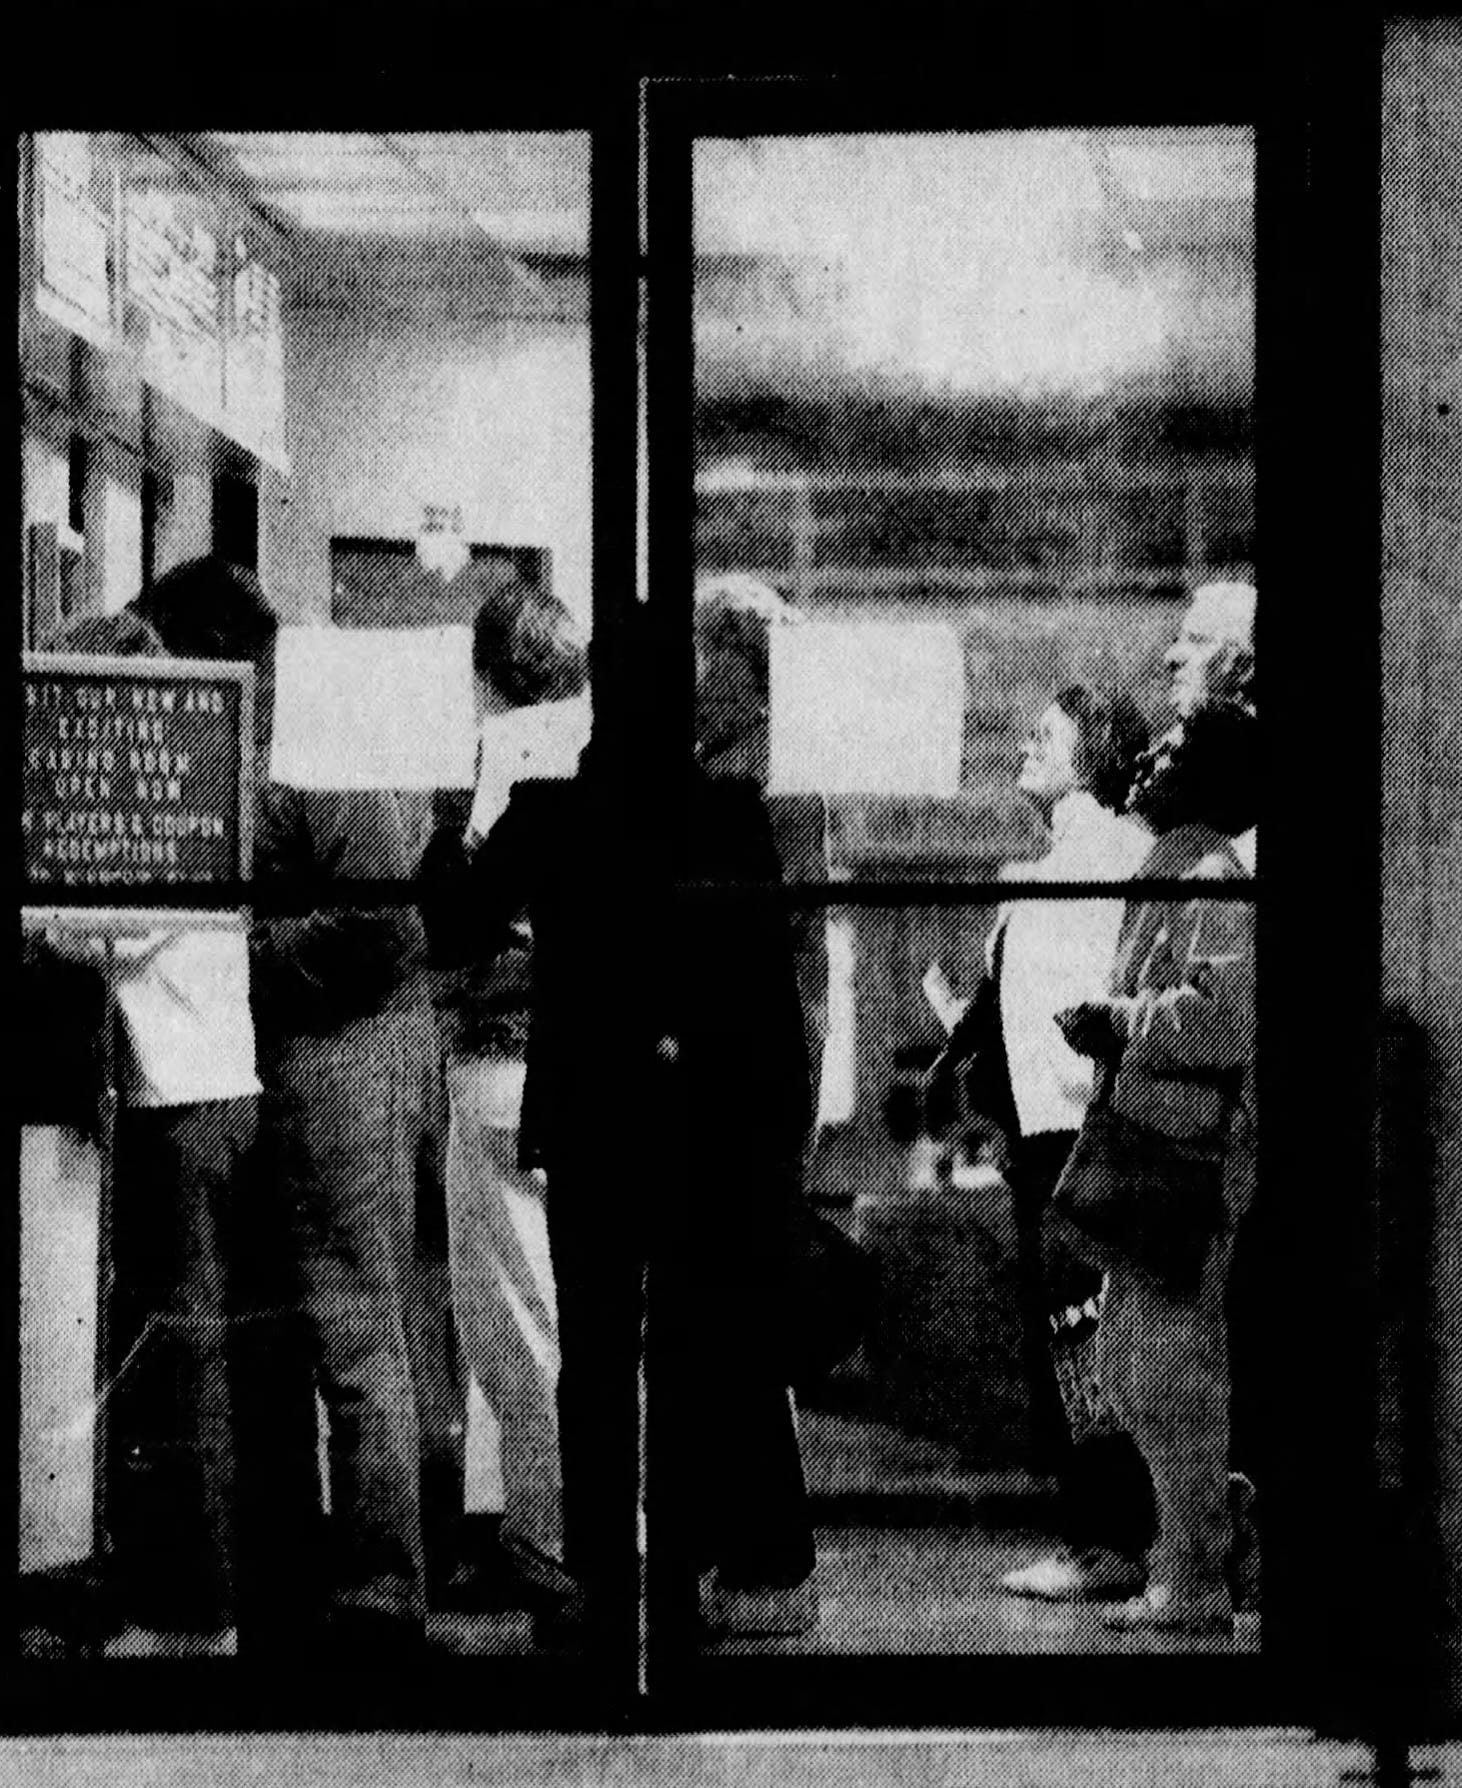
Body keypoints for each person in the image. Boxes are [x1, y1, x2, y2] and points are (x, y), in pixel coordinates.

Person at [425, 593, 823, 1649]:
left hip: (589, 1115)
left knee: (592, 1352)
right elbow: (765, 1001)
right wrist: (773, 1134)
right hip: (695, 1124)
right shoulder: (727, 814)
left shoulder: (551, 811)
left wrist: (444, 834)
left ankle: (603, 1579)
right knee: (688, 1347)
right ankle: (681, 1573)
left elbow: (456, 926)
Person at [131, 555, 448, 1659]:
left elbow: (384, 926)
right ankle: (345, 1580)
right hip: (328, 1058)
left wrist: (241, 955)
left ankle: (379, 1596)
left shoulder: (316, 736)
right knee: (336, 1327)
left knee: (355, 1333)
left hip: (339, 1061)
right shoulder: (307, 722)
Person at [31, 605, 261, 1651]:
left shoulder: (177, 780)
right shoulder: (194, 769)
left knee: (186, 1361)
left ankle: (196, 1617)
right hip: (200, 1093)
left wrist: (39, 917)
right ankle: (187, 1601)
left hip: (187, 1100)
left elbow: (128, 923)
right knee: (179, 1356)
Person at [925, 685, 1156, 1603]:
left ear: (1094, 752)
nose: (1027, 744)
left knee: (1089, 1340)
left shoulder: (1120, 857)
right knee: (1069, 1342)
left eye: (1048, 734)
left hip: (1087, 1130)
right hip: (1042, 1132)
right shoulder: (1045, 868)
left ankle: (1114, 1537)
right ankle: (1105, 1531)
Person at [1052, 696, 1257, 1636]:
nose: (1148, 760)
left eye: (1172, 750)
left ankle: (1198, 1569)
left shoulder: (1208, 870)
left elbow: (1223, 1018)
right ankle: (1201, 1540)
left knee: (1166, 1368)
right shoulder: (1174, 862)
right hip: (1152, 1142)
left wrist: (1119, 1020)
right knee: (1130, 1363)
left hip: (1183, 1156)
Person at [419, 577, 587, 1613]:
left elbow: (454, 925)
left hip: (496, 1064)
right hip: (586, 1071)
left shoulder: (505, 766)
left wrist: (457, 826)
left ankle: (550, 1538)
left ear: (486, 677)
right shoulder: (602, 755)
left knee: (516, 1320)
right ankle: (590, 1533)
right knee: (580, 1310)